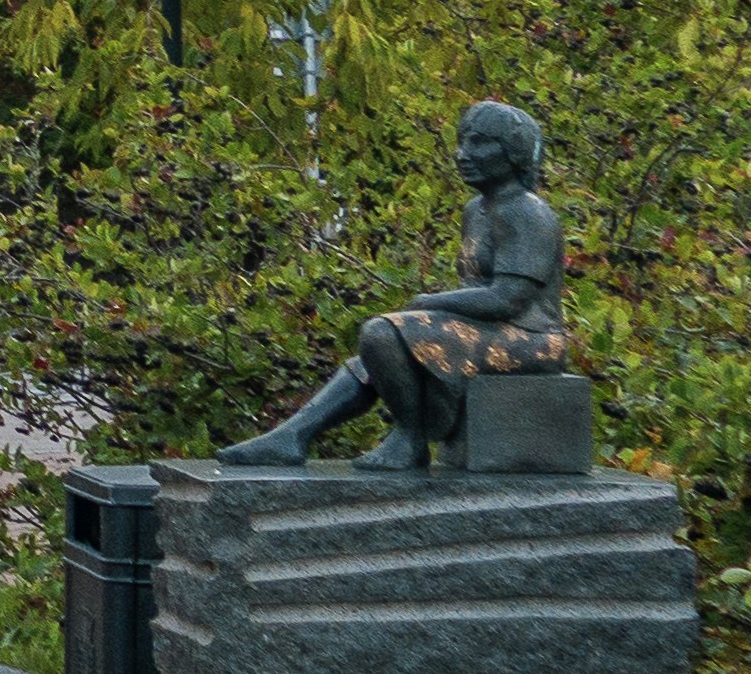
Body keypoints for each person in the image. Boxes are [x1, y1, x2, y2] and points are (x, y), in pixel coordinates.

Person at [217, 98, 573, 470]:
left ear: (512, 153)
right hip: (492, 330)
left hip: (533, 341)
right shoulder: (476, 211)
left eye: (479, 143)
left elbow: (508, 299)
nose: (462, 154)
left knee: (382, 334)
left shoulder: (527, 213)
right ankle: (293, 436)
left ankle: (410, 438)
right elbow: (476, 291)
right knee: (372, 356)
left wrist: (426, 302)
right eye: (462, 141)